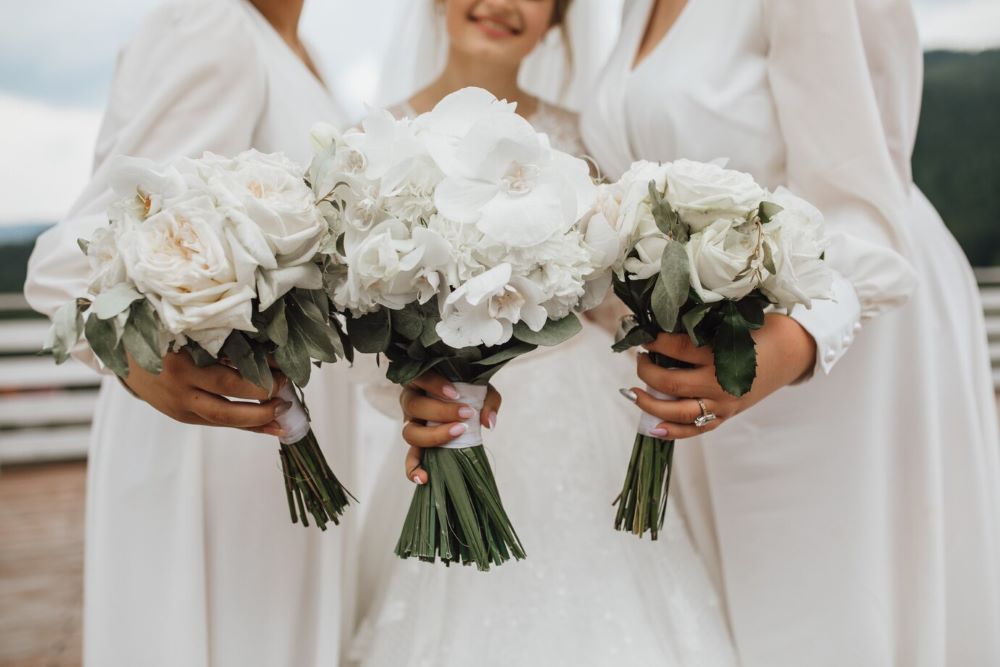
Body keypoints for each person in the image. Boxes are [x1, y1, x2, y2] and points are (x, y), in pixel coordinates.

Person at [581, 0, 1000, 664]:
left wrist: (784, 348)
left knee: (832, 614)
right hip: (708, 348)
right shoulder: (634, 9)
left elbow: (864, 202)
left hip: (840, 340)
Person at [349, 2, 739, 665]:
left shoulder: (575, 142)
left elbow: (615, 301)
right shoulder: (377, 144)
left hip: (586, 416)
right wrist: (411, 384)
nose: (502, 4)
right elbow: (362, 310)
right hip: (450, 411)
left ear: (558, 19)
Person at [24, 1, 363, 664]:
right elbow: (74, 256)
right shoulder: (212, 24)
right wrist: (128, 356)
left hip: (281, 427)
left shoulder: (296, 47)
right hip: (215, 433)